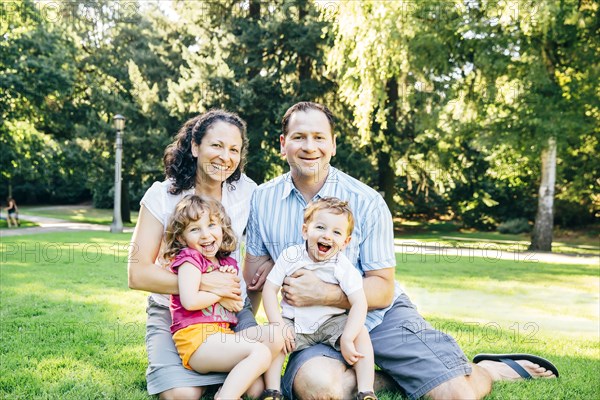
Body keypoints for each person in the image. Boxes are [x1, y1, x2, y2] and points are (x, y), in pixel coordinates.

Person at [244, 101, 559, 399]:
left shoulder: (367, 201)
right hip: (313, 326)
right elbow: (255, 280)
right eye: (299, 137)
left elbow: (382, 289)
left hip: (379, 317)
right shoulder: (262, 200)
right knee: (319, 389)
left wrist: (322, 292)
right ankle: (401, 378)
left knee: (456, 394)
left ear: (333, 144)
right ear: (283, 143)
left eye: (318, 137)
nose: (309, 147)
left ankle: (488, 370)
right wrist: (243, 338)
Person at [128, 109, 279, 399]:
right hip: (177, 314)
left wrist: (270, 265)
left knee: (258, 386)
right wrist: (205, 283)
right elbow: (137, 273)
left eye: (234, 149)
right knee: (182, 395)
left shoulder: (248, 192)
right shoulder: (162, 195)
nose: (225, 156)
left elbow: (260, 258)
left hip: (229, 313)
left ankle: (223, 376)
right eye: (217, 145)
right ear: (195, 147)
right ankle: (205, 374)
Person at [262, 197, 378, 400]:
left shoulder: (341, 265)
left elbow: (360, 302)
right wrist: (278, 323)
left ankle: (366, 390)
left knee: (361, 333)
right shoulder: (291, 256)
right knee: (273, 336)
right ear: (305, 230)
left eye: (336, 232)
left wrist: (349, 337)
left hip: (331, 323)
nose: (327, 236)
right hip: (294, 323)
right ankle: (273, 391)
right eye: (321, 227)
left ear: (345, 242)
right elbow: (269, 290)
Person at [164, 195, 278, 400]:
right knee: (260, 353)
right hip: (197, 341)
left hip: (220, 336)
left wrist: (225, 289)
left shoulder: (226, 263)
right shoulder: (190, 260)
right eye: (194, 229)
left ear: (222, 228)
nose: (206, 235)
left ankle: (267, 390)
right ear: (182, 238)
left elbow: (235, 304)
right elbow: (190, 301)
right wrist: (219, 293)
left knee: (275, 336)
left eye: (211, 225)